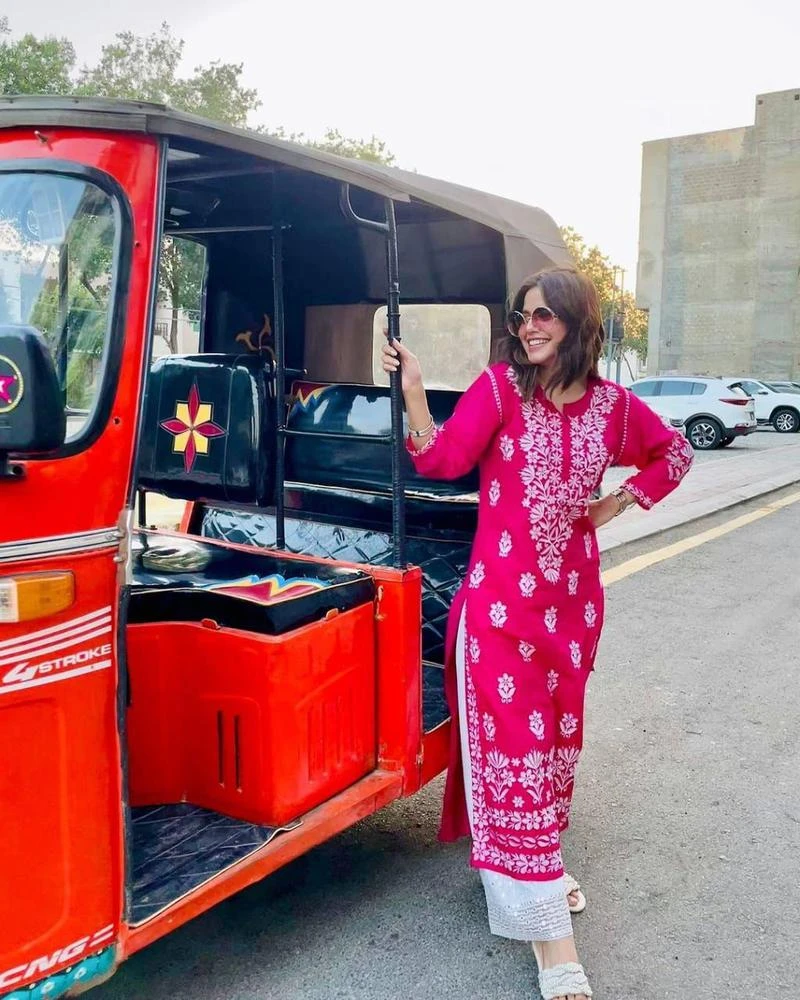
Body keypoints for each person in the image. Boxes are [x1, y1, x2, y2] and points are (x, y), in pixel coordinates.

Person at [382, 266, 694, 1000]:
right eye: (523, 316)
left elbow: (675, 454)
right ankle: (555, 946)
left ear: (578, 322)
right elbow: (441, 459)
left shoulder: (615, 409)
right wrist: (415, 390)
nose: (529, 328)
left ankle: (537, 864)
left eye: (545, 315)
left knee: (553, 749)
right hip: (498, 616)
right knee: (518, 753)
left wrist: (617, 503)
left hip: (573, 614)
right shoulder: (501, 390)